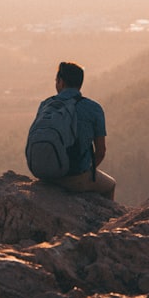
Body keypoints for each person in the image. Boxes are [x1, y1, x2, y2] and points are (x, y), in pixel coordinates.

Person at [32, 61, 116, 200]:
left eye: (56, 80)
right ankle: (109, 220)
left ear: (61, 82)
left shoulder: (45, 105)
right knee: (110, 184)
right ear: (80, 84)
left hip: (44, 175)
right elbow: (101, 152)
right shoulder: (93, 108)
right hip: (74, 179)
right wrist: (83, 172)